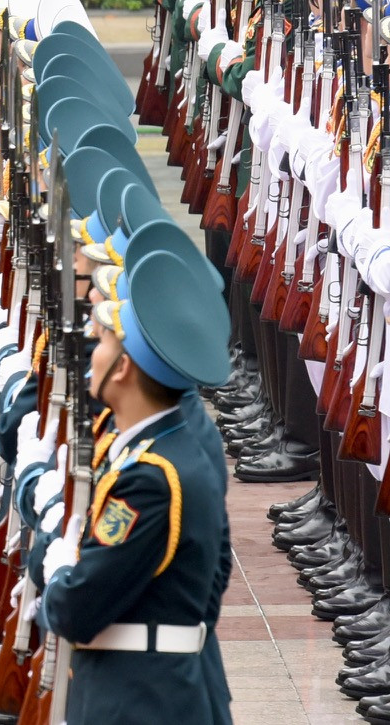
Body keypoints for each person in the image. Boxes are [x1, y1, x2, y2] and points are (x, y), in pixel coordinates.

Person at [23, 248, 235, 725]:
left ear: (123, 368)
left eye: (99, 341)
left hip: (139, 700)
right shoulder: (159, 453)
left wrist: (59, 571)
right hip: (147, 684)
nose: (89, 351)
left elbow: (78, 608)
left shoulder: (151, 478)